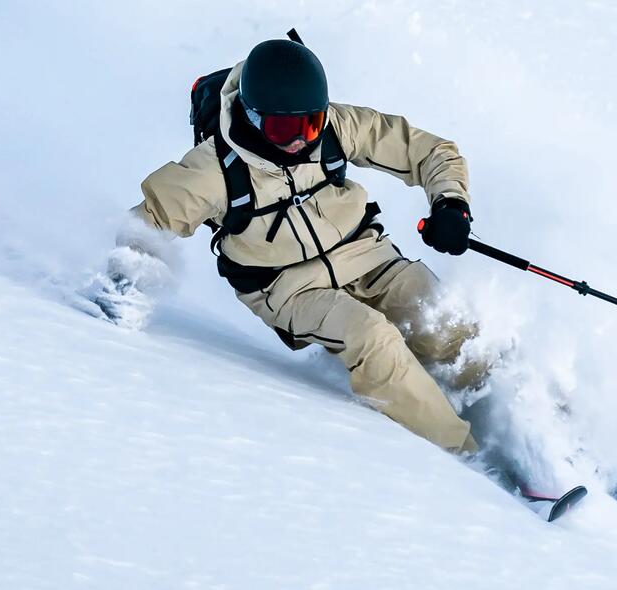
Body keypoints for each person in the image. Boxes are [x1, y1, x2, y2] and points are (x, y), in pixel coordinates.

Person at [101, 38, 487, 453]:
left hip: (363, 252)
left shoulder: (336, 128)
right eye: (283, 129)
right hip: (284, 285)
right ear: (253, 117)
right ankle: (467, 459)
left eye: (311, 125)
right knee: (372, 337)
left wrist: (451, 205)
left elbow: (428, 150)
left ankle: (506, 412)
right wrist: (125, 286)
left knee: (442, 316)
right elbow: (147, 222)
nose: (301, 141)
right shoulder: (212, 169)